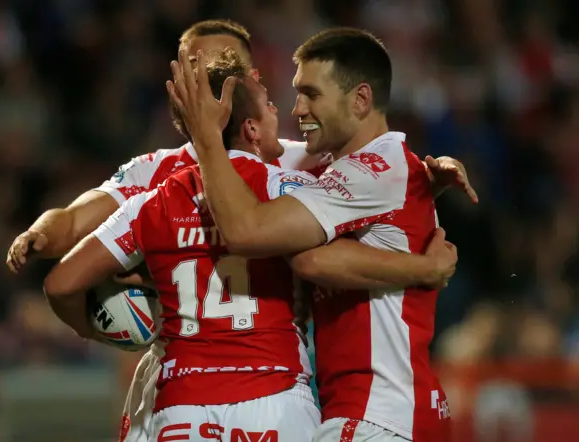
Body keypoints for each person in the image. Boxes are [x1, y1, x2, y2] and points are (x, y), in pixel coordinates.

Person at [43, 51, 457, 442]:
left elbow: (61, 284)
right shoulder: (289, 191)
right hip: (274, 399)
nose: (287, 112)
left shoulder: (149, 204)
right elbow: (340, 243)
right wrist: (422, 204)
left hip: (183, 405)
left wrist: (97, 329)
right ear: (251, 128)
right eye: (271, 104)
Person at [6, 19, 475, 274]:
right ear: (178, 86)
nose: (217, 80)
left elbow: (374, 189)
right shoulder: (156, 170)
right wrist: (38, 234)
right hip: (192, 373)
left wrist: (421, 182)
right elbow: (71, 221)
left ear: (252, 78)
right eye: (201, 67)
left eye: (232, 68)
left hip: (292, 382)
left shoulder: (299, 159)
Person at [167, 28, 457, 442]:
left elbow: (248, 232)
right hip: (381, 412)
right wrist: (422, 266)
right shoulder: (339, 166)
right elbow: (265, 160)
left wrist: (207, 134)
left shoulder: (376, 167)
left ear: (360, 100)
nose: (298, 108)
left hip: (379, 416)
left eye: (312, 94)